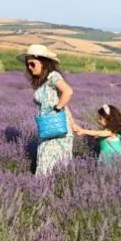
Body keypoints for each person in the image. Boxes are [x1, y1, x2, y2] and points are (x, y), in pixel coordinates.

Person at [19, 44, 77, 176]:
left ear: (43, 62)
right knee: (50, 167)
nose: (29, 67)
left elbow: (67, 92)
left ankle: (46, 193)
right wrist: (73, 123)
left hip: (57, 130)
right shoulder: (43, 82)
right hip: (48, 129)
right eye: (28, 64)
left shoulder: (53, 76)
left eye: (32, 64)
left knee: (48, 169)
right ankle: (50, 193)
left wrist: (55, 109)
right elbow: (62, 101)